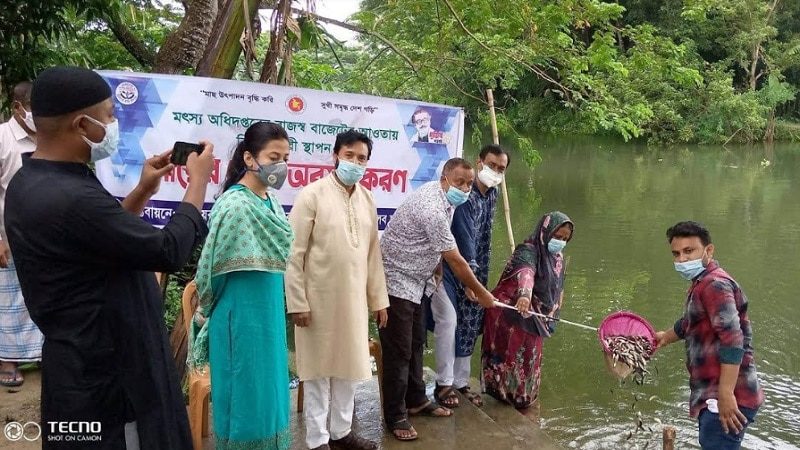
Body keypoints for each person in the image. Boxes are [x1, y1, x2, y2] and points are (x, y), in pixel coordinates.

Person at [5, 66, 213, 448]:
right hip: (110, 380)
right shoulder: (71, 197)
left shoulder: (32, 181)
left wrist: (142, 190)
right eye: (110, 115)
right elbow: (166, 251)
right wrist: (198, 184)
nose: (114, 123)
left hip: (76, 364)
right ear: (82, 125)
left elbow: (101, 238)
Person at [191, 121, 294, 450]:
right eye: (274, 156)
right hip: (240, 319)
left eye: (286, 157)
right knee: (245, 398)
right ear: (250, 159)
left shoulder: (271, 202)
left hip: (268, 316)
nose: (282, 166)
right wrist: (205, 309)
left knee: (270, 395)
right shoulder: (234, 205)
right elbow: (208, 268)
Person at [285, 129, 389, 450]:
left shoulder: (367, 198)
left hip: (354, 303)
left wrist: (379, 301)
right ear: (335, 155)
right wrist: (297, 302)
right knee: (317, 374)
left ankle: (341, 434)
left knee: (348, 370)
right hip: (316, 302)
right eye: (350, 156)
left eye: (362, 158)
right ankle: (317, 441)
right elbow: (293, 252)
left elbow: (373, 254)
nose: (355, 163)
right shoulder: (311, 194)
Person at [379, 157, 496, 441]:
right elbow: (456, 258)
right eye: (460, 182)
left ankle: (417, 398)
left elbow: (441, 250)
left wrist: (436, 265)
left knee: (417, 341)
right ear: (445, 178)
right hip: (397, 278)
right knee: (399, 350)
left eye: (469, 183)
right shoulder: (431, 206)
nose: (466, 188)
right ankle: (395, 415)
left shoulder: (448, 200)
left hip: (421, 279)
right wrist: (482, 293)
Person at [653, 221, 764, 450]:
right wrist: (664, 337)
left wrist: (725, 395)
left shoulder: (715, 285)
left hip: (728, 395)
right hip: (716, 391)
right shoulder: (702, 282)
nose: (682, 259)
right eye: (676, 253)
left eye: (689, 251)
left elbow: (733, 341)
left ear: (708, 250)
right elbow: (689, 323)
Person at [426, 144, 509, 409]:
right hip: (451, 267)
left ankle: (461, 382)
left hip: (476, 269)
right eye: (492, 165)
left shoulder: (492, 193)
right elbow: (464, 238)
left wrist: (480, 277)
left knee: (471, 325)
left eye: (501, 168)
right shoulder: (465, 195)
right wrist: (469, 280)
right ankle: (444, 383)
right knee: (449, 322)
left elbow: (484, 236)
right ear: (480, 161)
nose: (495, 172)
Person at [482, 211, 573, 409]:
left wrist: (554, 314)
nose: (560, 242)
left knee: (530, 358)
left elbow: (558, 288)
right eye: (557, 237)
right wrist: (524, 295)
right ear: (546, 231)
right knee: (511, 356)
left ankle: (523, 398)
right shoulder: (527, 250)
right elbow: (526, 273)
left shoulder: (557, 258)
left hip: (536, 317)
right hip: (511, 314)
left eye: (565, 239)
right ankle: (503, 396)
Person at [0, 81, 41, 387]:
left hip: (40, 237)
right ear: (17, 108)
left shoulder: (47, 139)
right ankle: (6, 361)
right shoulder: (2, 138)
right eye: (33, 109)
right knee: (6, 302)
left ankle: (38, 356)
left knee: (35, 296)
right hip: (6, 238)